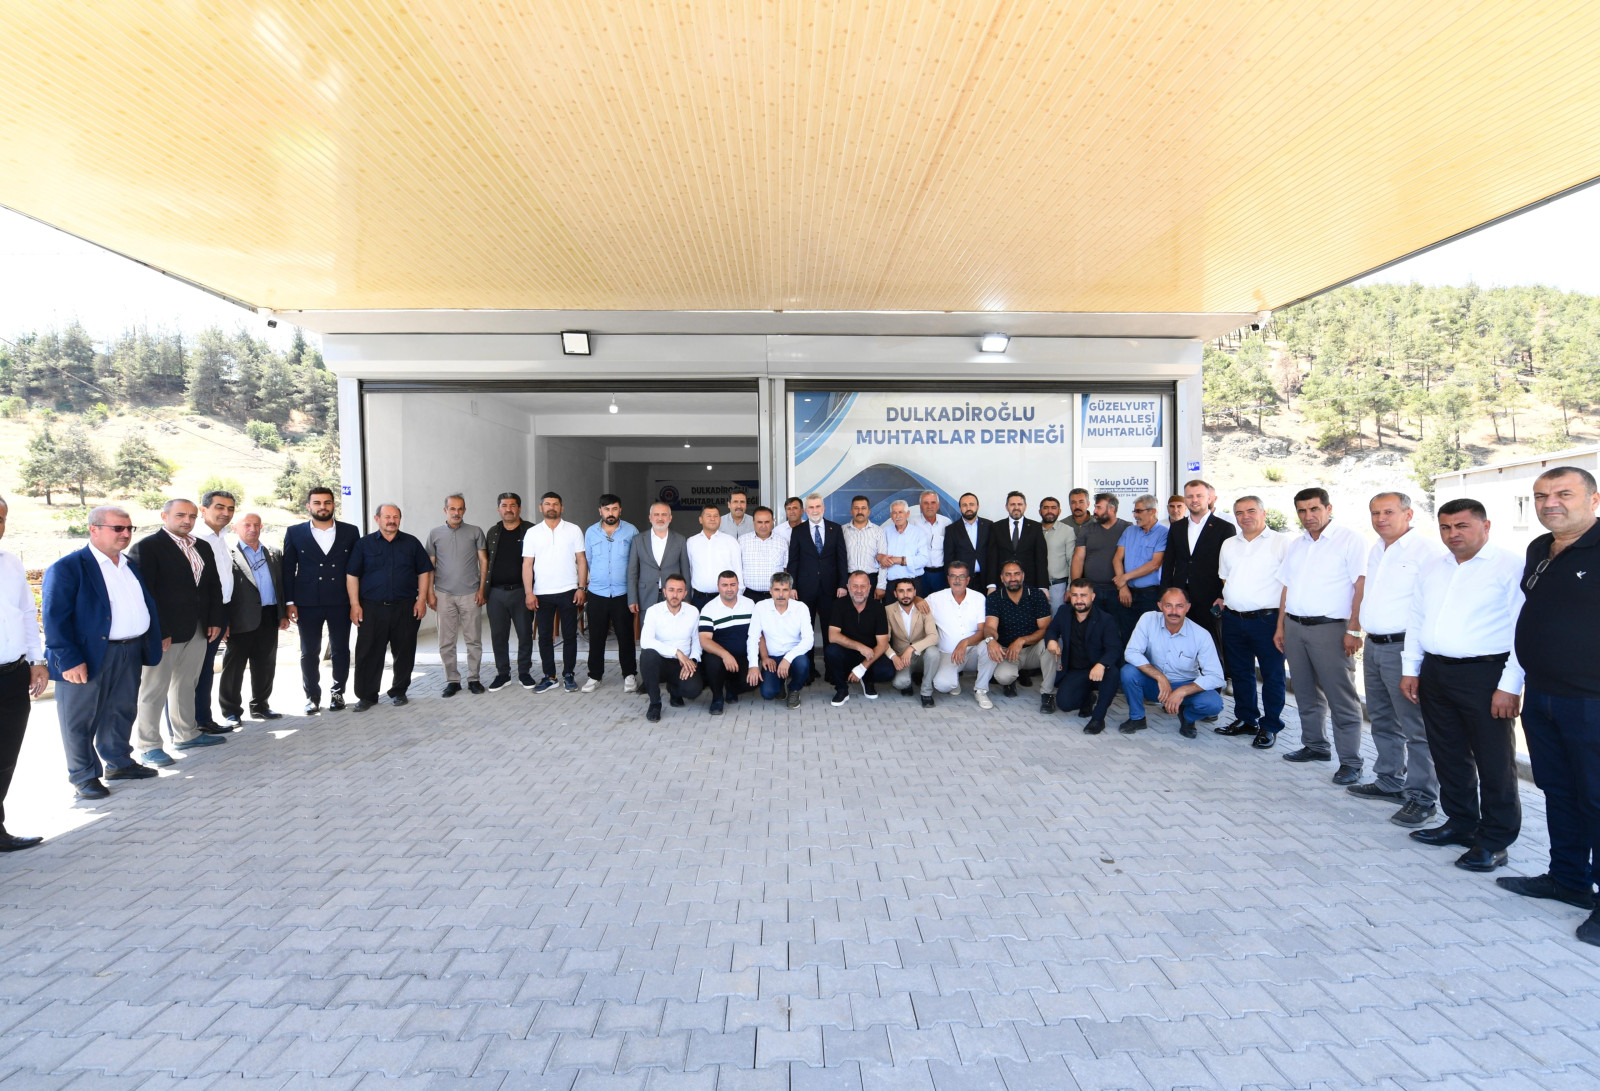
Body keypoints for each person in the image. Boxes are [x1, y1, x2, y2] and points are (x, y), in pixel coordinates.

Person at [1401, 498, 1524, 874]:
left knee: (1494, 761)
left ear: (1486, 526)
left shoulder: (1510, 566)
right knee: (1448, 754)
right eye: (1445, 527)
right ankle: (1461, 823)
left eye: (1462, 526)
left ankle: (1495, 841)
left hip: (1485, 675)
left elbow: (1522, 631)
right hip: (1436, 671)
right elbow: (1417, 617)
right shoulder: (1433, 566)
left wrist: (1510, 685)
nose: (1452, 534)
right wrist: (1411, 668)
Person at [1506, 466, 1600, 941]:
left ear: (1594, 499)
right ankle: (1568, 879)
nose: (1550, 503)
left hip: (1591, 702)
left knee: (1596, 798)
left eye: (1564, 494)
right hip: (1542, 695)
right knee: (1558, 791)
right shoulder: (1539, 548)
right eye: (1541, 496)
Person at [43, 506, 164, 801]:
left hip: (129, 650)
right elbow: (54, 619)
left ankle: (119, 762)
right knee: (80, 719)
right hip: (87, 656)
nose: (125, 534)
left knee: (121, 710)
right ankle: (83, 776)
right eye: (118, 528)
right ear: (94, 529)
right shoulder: (69, 567)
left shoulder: (128, 565)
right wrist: (69, 659)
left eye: (129, 528)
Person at [1350, 491, 1446, 826]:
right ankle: (1390, 780)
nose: (1380, 519)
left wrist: (1414, 662)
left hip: (1405, 648)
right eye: (1375, 512)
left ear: (1408, 514)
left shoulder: (1427, 550)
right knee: (1381, 718)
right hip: (1375, 646)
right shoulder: (1377, 549)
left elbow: (1431, 605)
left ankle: (1422, 797)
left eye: (1388, 512)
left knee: (1416, 726)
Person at [1274, 487, 1367, 782]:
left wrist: (1354, 628)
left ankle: (1351, 761)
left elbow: (1361, 586)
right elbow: (1286, 587)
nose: (1308, 516)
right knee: (1304, 691)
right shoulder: (1298, 544)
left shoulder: (1350, 540)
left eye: (1314, 509)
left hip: (1331, 629)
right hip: (1295, 627)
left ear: (1328, 508)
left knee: (1341, 697)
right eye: (1302, 510)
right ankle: (1315, 745)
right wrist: (1281, 626)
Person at [129, 498, 227, 767]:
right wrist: (159, 630)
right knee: (153, 689)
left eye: (192, 516)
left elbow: (213, 586)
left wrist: (214, 619)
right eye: (181, 515)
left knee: (186, 684)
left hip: (198, 628)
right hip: (164, 633)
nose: (187, 520)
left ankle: (186, 734)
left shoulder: (202, 546)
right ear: (164, 516)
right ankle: (149, 746)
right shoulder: (147, 547)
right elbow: (145, 594)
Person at [1215, 495, 1289, 749]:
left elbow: (1288, 585)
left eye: (1251, 511)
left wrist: (1281, 624)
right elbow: (1225, 578)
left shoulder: (1281, 542)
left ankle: (1270, 726)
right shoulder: (1229, 544)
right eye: (1239, 512)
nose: (1245, 516)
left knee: (1272, 675)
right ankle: (1247, 720)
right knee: (1240, 672)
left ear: (1263, 513)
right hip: (1233, 619)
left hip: (1267, 620)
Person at [347, 503, 433, 710]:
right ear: (377, 519)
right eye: (387, 517)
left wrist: (421, 600)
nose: (391, 521)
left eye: (395, 517)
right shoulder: (364, 544)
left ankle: (399, 691)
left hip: (405, 607)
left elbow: (424, 571)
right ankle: (367, 696)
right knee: (368, 652)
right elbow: (352, 575)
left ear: (400, 519)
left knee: (404, 651)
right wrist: (355, 604)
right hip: (371, 608)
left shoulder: (411, 543)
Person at [0, 497, 50, 848]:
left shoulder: (11, 563)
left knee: (5, 758)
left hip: (12, 674)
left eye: (1, 518)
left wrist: (36, 660)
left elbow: (27, 614)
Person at [282, 486, 360, 712]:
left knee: (341, 650)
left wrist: (356, 602)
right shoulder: (294, 532)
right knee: (309, 652)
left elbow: (356, 569)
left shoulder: (350, 531)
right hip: (307, 602)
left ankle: (338, 693)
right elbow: (288, 570)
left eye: (327, 502)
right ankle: (312, 696)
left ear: (333, 505)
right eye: (317, 503)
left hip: (340, 600)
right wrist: (289, 602)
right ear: (309, 506)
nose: (322, 507)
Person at [1118, 587, 1225, 736]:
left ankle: (1187, 717)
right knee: (1128, 672)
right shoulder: (1148, 619)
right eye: (1168, 605)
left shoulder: (1201, 635)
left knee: (1214, 704)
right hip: (1155, 684)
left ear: (1187, 608)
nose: (1174, 611)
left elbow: (1216, 676)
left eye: (1179, 606)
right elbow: (1131, 652)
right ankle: (1137, 718)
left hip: (1185, 684)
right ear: (1160, 606)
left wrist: (1182, 691)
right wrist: (1160, 677)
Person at [1160, 479, 1235, 681]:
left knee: (1211, 644)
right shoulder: (1177, 527)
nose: (1194, 500)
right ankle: (1183, 686)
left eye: (1199, 496)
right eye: (1190, 496)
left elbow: (1229, 567)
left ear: (1209, 498)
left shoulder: (1225, 528)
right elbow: (1169, 562)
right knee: (1180, 644)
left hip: (1210, 598)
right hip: (1180, 597)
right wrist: (1165, 593)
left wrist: (1222, 596)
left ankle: (1214, 687)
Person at [219, 513, 289, 725]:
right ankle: (231, 711)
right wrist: (223, 621)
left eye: (256, 525)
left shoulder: (273, 552)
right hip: (239, 619)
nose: (252, 529)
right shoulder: (226, 553)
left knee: (265, 665)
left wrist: (282, 614)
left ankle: (260, 706)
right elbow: (220, 589)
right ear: (235, 528)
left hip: (269, 616)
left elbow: (280, 585)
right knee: (234, 668)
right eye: (247, 525)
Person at [522, 491, 588, 693]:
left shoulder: (573, 530)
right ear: (541, 508)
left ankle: (569, 675)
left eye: (555, 504)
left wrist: (581, 587)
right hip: (542, 593)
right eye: (548, 504)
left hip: (569, 590)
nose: (552, 507)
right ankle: (550, 676)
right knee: (544, 637)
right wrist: (529, 593)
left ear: (562, 508)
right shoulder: (532, 532)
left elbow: (582, 560)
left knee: (570, 636)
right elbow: (527, 564)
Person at [426, 494, 488, 698]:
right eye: (452, 509)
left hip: (471, 593)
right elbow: (430, 566)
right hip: (444, 594)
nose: (456, 513)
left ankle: (474, 678)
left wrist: (482, 589)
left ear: (464, 510)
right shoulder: (434, 534)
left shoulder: (475, 532)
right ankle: (452, 681)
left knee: (473, 639)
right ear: (445, 510)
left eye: (460, 509)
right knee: (446, 641)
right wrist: (430, 593)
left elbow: (483, 561)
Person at [1043, 579, 1122, 733]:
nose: (1079, 600)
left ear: (1092, 597)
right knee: (1064, 704)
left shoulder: (1105, 619)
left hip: (1100, 669)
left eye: (1083, 595)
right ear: (1070, 596)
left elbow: (1115, 649)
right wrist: (1051, 640)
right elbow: (1052, 630)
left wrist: (1101, 664)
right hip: (1077, 670)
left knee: (1113, 673)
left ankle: (1098, 718)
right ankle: (1088, 698)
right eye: (1075, 595)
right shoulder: (1064, 612)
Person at [581, 493, 638, 693]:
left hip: (622, 593)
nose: (610, 513)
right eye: (606, 509)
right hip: (597, 592)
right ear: (600, 511)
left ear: (620, 510)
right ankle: (594, 676)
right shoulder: (591, 532)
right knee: (596, 637)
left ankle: (629, 675)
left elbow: (635, 562)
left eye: (614, 509)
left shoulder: (631, 531)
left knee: (626, 636)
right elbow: (587, 560)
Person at [190, 489, 236, 732]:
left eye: (230, 509)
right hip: (201, 616)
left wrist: (223, 617)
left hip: (220, 612)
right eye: (220, 507)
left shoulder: (222, 537)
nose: (225, 513)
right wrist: (213, 617)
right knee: (193, 672)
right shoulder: (194, 538)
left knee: (206, 669)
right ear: (203, 509)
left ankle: (203, 720)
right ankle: (193, 724)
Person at [983, 561, 1056, 711]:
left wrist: (1021, 640)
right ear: (1002, 578)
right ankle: (1011, 681)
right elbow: (990, 627)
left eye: (1016, 574)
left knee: (1050, 645)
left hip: (1033, 649)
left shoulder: (1037, 595)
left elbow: (1045, 628)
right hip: (1008, 651)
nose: (1013, 578)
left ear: (1023, 576)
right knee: (1003, 677)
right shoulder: (995, 598)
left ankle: (1047, 694)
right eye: (1008, 575)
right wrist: (990, 640)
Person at [925, 560, 996, 708]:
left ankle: (981, 690)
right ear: (948, 578)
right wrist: (918, 599)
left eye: (961, 576)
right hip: (948, 654)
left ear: (968, 580)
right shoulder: (935, 598)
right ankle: (954, 679)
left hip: (973, 650)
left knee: (989, 646)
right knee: (942, 685)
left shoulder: (978, 598)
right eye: (953, 576)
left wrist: (965, 642)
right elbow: (915, 604)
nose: (957, 580)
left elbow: (982, 631)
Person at [787, 492, 849, 662]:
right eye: (811, 507)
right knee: (805, 629)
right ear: (806, 510)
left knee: (830, 628)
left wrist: (842, 584)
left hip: (830, 589)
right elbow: (793, 561)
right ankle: (809, 670)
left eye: (818, 506)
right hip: (805, 589)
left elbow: (842, 559)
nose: (815, 510)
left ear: (824, 508)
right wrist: (792, 586)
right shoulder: (798, 531)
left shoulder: (835, 529)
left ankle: (831, 670)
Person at [484, 492, 535, 690]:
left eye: (513, 505)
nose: (509, 509)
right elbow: (486, 561)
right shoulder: (493, 532)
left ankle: (524, 673)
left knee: (525, 634)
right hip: (496, 593)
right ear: (499, 509)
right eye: (504, 506)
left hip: (522, 591)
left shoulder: (530, 530)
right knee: (498, 635)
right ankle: (503, 674)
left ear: (519, 509)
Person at [638, 574, 703, 721]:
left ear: (685, 593)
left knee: (694, 690)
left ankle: (674, 691)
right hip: (659, 662)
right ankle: (655, 704)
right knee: (648, 655)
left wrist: (693, 660)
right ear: (664, 592)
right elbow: (645, 641)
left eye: (679, 591)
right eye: (671, 590)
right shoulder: (653, 611)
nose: (675, 595)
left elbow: (697, 640)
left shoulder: (693, 611)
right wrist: (676, 652)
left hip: (682, 664)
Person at [746, 571, 813, 707]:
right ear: (770, 591)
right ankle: (780, 681)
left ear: (790, 591)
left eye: (785, 590)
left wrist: (787, 659)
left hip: (794, 656)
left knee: (803, 664)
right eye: (777, 590)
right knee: (768, 693)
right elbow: (753, 637)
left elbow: (808, 640)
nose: (781, 594)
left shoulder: (801, 608)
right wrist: (753, 665)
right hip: (773, 658)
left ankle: (794, 689)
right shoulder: (760, 607)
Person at [826, 571, 892, 704]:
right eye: (855, 586)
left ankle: (867, 679)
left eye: (863, 586)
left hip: (870, 655)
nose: (859, 590)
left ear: (869, 587)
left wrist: (862, 667)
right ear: (848, 587)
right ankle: (842, 689)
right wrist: (859, 646)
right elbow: (832, 636)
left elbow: (883, 644)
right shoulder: (839, 605)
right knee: (831, 651)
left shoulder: (878, 608)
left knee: (887, 672)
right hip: (848, 653)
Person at [1111, 494, 1168, 645]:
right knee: (1126, 635)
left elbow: (1155, 564)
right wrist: (1123, 587)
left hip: (1150, 595)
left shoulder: (1163, 533)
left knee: (1151, 637)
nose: (1135, 515)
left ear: (1152, 511)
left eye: (1139, 511)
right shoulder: (1129, 531)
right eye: (1134, 511)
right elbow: (1117, 558)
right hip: (1128, 593)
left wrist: (1124, 577)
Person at [698, 571, 754, 713]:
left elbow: (757, 634)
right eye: (725, 585)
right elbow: (704, 640)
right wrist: (725, 655)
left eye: (732, 585)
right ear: (718, 586)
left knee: (753, 682)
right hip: (720, 658)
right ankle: (717, 698)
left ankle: (732, 687)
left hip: (743, 657)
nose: (729, 589)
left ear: (738, 585)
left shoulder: (749, 604)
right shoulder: (709, 608)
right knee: (712, 662)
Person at [629, 501, 693, 627]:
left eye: (664, 514)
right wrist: (632, 599)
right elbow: (632, 572)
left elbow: (685, 571)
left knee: (673, 631)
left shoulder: (680, 540)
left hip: (673, 596)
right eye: (656, 514)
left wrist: (686, 598)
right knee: (648, 632)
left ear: (670, 518)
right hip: (646, 596)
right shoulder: (638, 540)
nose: (660, 518)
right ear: (650, 517)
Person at [1070, 492, 1130, 623]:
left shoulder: (1127, 528)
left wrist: (1123, 586)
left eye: (1099, 508)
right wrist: (1075, 588)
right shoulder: (1087, 529)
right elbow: (1078, 559)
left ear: (1111, 509)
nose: (1094, 511)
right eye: (1095, 507)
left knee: (1119, 627)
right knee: (1092, 628)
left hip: (1118, 590)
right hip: (1092, 590)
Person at [885, 577, 939, 705]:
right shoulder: (888, 610)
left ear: (915, 592)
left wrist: (912, 648)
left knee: (933, 652)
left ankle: (926, 691)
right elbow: (884, 640)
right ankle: (909, 681)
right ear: (895, 594)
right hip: (902, 658)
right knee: (900, 683)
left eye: (909, 590)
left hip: (922, 654)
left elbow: (933, 636)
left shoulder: (924, 607)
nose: (905, 595)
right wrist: (893, 657)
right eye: (901, 591)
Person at [988, 491, 1048, 591]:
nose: (1016, 507)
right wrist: (991, 585)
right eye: (1012, 504)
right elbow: (992, 558)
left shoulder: (1035, 527)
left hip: (1029, 584)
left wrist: (1043, 587)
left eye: (1020, 504)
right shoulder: (996, 527)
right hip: (1003, 583)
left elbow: (1041, 559)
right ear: (1006, 507)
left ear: (1025, 506)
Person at [686, 503, 742, 609]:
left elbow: (738, 570)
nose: (713, 519)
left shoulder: (730, 541)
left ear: (720, 519)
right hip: (699, 599)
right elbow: (688, 571)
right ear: (700, 519)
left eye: (716, 516)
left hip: (725, 598)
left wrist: (738, 598)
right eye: (708, 516)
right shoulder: (691, 542)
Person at [943, 493, 994, 591]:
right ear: (960, 508)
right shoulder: (951, 530)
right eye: (964, 505)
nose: (968, 508)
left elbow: (993, 555)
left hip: (985, 580)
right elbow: (949, 559)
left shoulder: (989, 526)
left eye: (971, 504)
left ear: (977, 506)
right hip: (962, 581)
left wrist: (992, 583)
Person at [739, 506, 787, 603]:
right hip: (748, 595)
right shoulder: (742, 541)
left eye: (767, 522)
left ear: (773, 522)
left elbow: (786, 569)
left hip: (774, 596)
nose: (763, 526)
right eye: (759, 522)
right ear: (753, 522)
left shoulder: (782, 542)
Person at [1038, 496, 1077, 614]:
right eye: (1046, 508)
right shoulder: (1033, 529)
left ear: (1059, 511)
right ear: (1040, 511)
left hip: (1058, 588)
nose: (1049, 511)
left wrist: (1070, 588)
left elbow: (1072, 561)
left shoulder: (1067, 531)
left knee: (1057, 621)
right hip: (1035, 586)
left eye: (1053, 508)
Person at [878, 500, 928, 589]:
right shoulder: (884, 532)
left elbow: (923, 560)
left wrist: (898, 560)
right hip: (890, 584)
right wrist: (880, 558)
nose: (897, 516)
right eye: (894, 513)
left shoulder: (919, 533)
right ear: (891, 516)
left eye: (901, 512)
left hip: (913, 583)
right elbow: (877, 556)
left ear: (907, 514)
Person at [841, 496, 887, 593]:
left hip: (871, 580)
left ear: (869, 511)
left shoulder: (878, 531)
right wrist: (841, 585)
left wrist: (881, 586)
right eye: (856, 508)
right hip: (848, 580)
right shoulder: (842, 531)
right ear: (851, 511)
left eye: (863, 508)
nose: (860, 511)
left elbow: (883, 561)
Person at [913, 490, 952, 595]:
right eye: (926, 503)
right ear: (920, 506)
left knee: (940, 603)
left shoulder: (947, 523)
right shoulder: (912, 523)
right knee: (921, 603)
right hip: (920, 574)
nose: (929, 506)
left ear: (938, 505)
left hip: (941, 575)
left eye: (933, 503)